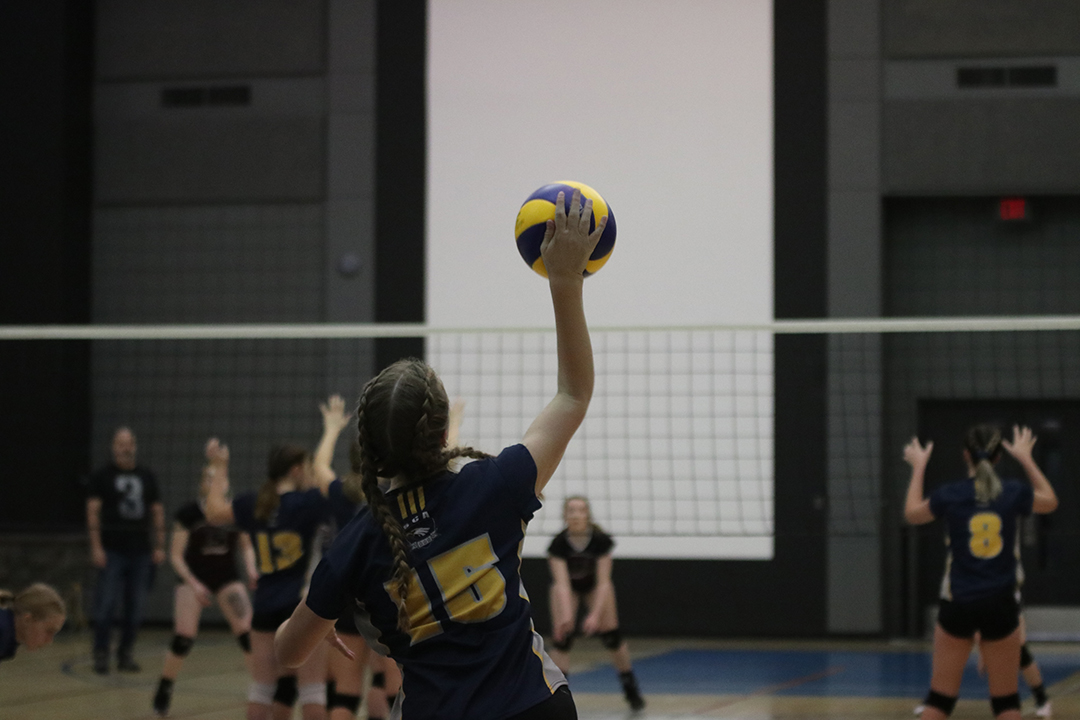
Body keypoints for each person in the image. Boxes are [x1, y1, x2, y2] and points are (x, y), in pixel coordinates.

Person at [274, 188, 606, 720]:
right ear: (439, 430)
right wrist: (565, 282)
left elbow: (286, 653)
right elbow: (574, 394)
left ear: (369, 446)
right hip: (534, 706)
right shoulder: (497, 484)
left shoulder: (355, 545)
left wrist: (315, 620)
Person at [205, 395, 352, 720]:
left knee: (261, 688)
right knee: (312, 689)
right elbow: (326, 478)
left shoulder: (252, 503)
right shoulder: (308, 502)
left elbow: (213, 511)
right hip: (298, 606)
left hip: (265, 605)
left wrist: (219, 467)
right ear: (298, 469)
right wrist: (331, 431)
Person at [904, 424, 1058, 720]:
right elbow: (1050, 501)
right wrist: (1026, 458)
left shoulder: (950, 494)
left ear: (965, 456)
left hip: (958, 602)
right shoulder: (1013, 492)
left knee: (939, 701)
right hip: (1000, 604)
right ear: (999, 458)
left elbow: (912, 513)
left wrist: (919, 466)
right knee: (1006, 704)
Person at [153, 441, 260, 717]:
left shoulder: (233, 511)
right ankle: (165, 685)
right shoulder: (189, 513)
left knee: (248, 634)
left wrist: (251, 569)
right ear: (202, 484)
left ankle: (262, 689)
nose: (213, 482)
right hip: (194, 577)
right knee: (184, 637)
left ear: (225, 484)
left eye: (218, 478)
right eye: (208, 478)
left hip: (226, 578)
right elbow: (175, 556)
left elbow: (247, 546)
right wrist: (195, 584)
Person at [547, 496, 645, 710]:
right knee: (562, 636)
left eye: (580, 510)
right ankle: (559, 696)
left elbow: (603, 583)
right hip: (568, 588)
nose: (575, 515)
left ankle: (630, 687)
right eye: (571, 511)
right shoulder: (559, 544)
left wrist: (594, 616)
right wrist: (566, 617)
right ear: (565, 515)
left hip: (595, 587)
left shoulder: (600, 540)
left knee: (611, 635)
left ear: (587, 515)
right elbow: (562, 584)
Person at [87, 426, 166, 674]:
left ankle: (125, 654)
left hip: (141, 551)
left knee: (136, 608)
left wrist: (160, 545)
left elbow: (157, 512)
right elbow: (92, 511)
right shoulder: (102, 476)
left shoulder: (146, 476)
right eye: (120, 442)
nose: (125, 447)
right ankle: (101, 654)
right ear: (113, 446)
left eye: (129, 442)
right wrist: (96, 546)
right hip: (112, 551)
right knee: (106, 606)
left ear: (135, 445)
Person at [0, 583, 67, 665]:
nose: (49, 641)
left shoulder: (8, 642)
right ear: (27, 620)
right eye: (49, 631)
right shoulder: (3, 632)